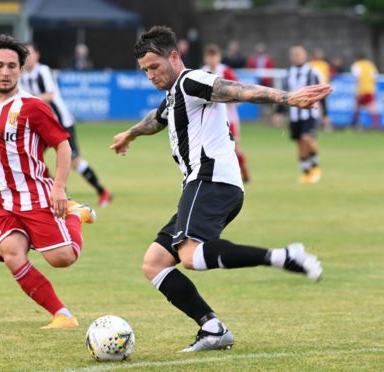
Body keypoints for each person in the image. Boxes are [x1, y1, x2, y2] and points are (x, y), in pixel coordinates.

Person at [111, 26, 328, 352]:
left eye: (155, 67)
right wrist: (130, 134)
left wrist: (286, 98)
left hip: (209, 180)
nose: (151, 76)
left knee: (191, 256)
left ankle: (285, 256)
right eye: (145, 71)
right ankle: (212, 328)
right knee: (154, 263)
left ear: (174, 56)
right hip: (209, 185)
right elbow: (157, 119)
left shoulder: (191, 80)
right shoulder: (174, 96)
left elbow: (235, 89)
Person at [0, 34, 96, 329]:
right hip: (0, 201)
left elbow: (63, 145)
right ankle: (62, 315)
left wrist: (58, 187)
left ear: (22, 70)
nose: (5, 72)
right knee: (11, 254)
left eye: (12, 66)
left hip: (36, 195)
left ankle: (75, 214)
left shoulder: (33, 107)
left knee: (62, 258)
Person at [22, 42, 113, 207]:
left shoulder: (42, 71)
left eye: (29, 53)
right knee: (31, 158)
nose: (27, 57)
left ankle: (103, 192)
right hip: (44, 126)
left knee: (74, 161)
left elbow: (49, 95)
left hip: (62, 122)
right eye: (24, 54)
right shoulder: (24, 76)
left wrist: (27, 101)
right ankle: (55, 191)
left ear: (37, 55)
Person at [274, 45, 323, 184]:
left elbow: (322, 94)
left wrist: (326, 114)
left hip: (310, 114)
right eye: (294, 54)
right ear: (291, 57)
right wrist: (278, 112)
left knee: (307, 138)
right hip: (294, 114)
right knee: (300, 143)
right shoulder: (288, 73)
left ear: (305, 55)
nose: (297, 57)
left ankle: (315, 165)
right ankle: (306, 173)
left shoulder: (313, 72)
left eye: (299, 54)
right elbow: (283, 94)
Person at [202, 44, 250, 182]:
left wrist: (224, 98)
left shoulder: (226, 72)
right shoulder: (202, 73)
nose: (211, 59)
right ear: (205, 58)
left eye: (214, 56)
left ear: (219, 57)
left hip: (230, 118)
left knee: (233, 148)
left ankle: (244, 172)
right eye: (209, 56)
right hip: (211, 119)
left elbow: (238, 92)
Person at [351, 52, 380, 129]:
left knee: (356, 108)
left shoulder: (356, 65)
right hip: (370, 90)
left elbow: (357, 78)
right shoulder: (371, 65)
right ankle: (376, 125)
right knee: (372, 108)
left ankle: (354, 125)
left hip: (360, 90)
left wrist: (359, 90)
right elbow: (375, 77)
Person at [309, 48, 332, 131]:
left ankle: (326, 126)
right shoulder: (310, 64)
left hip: (323, 89)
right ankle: (314, 125)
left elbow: (327, 76)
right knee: (313, 107)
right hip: (313, 89)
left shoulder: (324, 65)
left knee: (324, 108)